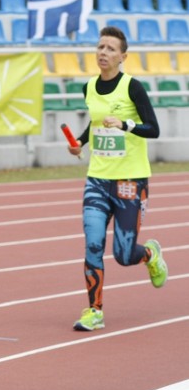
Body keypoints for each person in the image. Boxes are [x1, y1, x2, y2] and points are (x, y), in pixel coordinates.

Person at [66, 25, 168, 332]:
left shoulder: (133, 87)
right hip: (97, 178)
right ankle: (94, 310)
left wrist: (125, 124)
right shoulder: (89, 87)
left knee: (124, 255)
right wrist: (80, 142)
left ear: (123, 56)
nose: (103, 53)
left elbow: (153, 129)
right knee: (92, 245)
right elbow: (96, 124)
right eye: (100, 47)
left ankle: (150, 253)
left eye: (110, 49)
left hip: (130, 180)